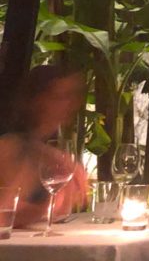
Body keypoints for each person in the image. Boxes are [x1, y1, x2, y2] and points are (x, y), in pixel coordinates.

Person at [0, 64, 88, 227]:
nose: (71, 103)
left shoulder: (49, 151)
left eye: (73, 96)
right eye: (62, 96)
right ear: (38, 100)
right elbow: (5, 216)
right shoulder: (10, 147)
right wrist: (50, 203)